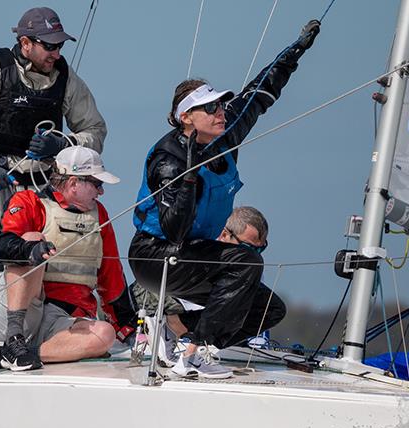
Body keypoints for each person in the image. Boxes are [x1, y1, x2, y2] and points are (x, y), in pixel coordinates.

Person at [130, 20, 320, 378]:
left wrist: (296, 50)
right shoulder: (168, 159)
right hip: (154, 255)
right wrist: (188, 176)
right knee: (246, 262)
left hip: (194, 252)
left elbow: (261, 93)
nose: (221, 113)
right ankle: (194, 353)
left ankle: (174, 329)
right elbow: (173, 230)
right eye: (212, 109)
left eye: (220, 106)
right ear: (186, 118)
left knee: (268, 309)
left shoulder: (225, 132)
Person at [0, 6, 107, 364]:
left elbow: (95, 131)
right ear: (25, 43)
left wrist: (63, 145)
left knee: (46, 263)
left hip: (44, 187)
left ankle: (22, 345)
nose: (56, 54)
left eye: (60, 46)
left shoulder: (66, 80)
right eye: (49, 46)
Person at [0, 146, 135, 372]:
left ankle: (10, 354)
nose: (101, 192)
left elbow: (111, 273)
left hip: (61, 323)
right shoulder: (29, 202)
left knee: (104, 334)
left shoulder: (100, 215)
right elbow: (0, 248)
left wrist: (129, 326)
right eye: (97, 184)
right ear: (73, 183)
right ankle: (13, 339)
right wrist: (31, 250)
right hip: (19, 313)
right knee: (31, 238)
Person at [133, 207, 285, 371]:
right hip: (162, 300)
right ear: (225, 234)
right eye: (250, 249)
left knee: (274, 309)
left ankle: (192, 337)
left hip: (205, 327)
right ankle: (188, 345)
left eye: (261, 249)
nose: (257, 256)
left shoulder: (248, 266)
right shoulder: (204, 252)